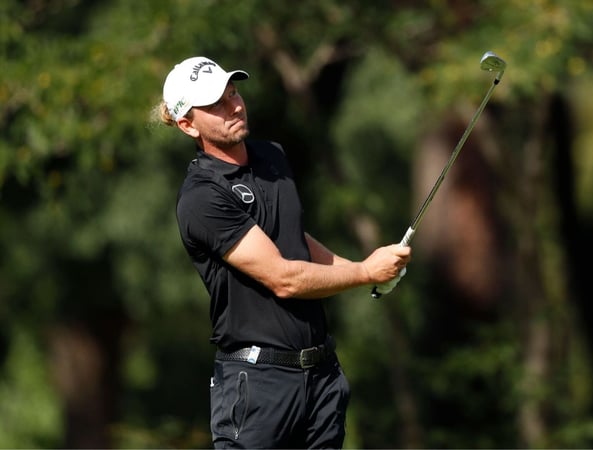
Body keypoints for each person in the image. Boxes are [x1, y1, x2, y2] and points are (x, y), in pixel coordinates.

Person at [156, 56, 411, 449]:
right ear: (189, 124)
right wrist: (365, 274)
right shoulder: (202, 197)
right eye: (216, 104)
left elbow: (294, 241)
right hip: (257, 387)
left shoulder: (272, 157)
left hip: (321, 377)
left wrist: (365, 268)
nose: (234, 106)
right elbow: (285, 278)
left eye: (233, 93)